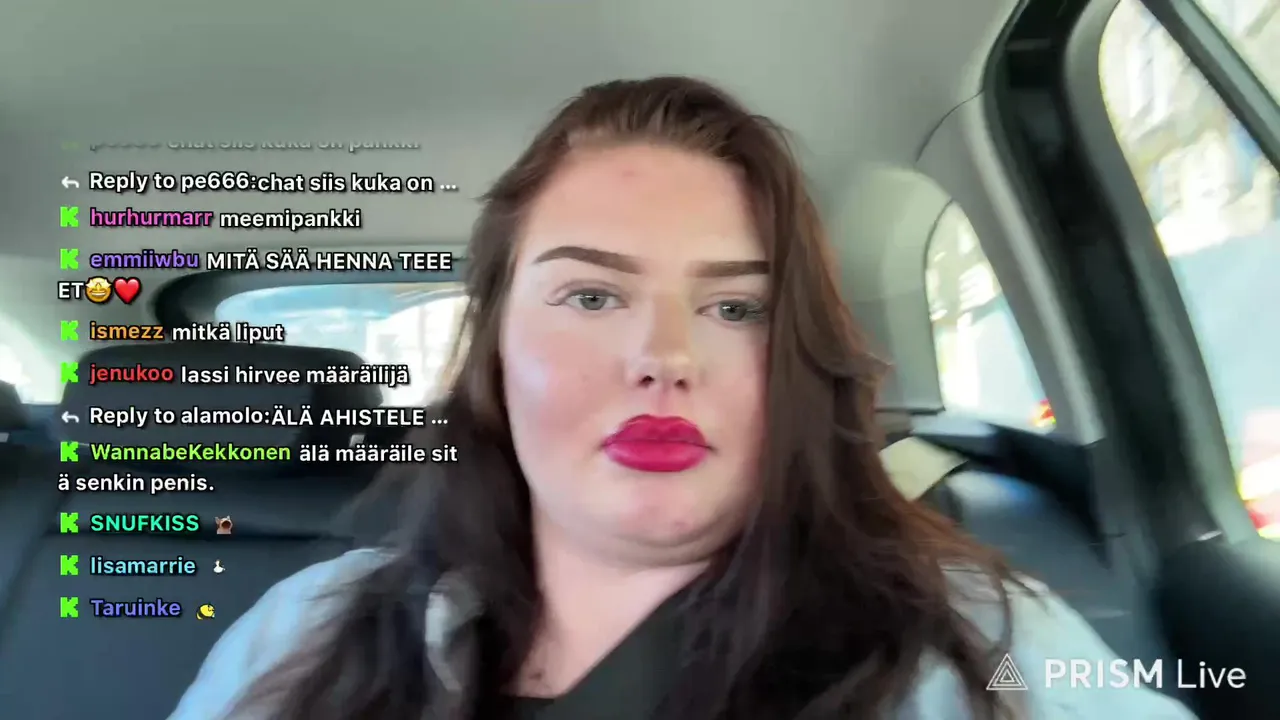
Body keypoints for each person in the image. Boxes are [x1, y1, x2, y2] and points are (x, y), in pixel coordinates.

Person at [170, 76, 1196, 719]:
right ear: (493, 349)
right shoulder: (304, 631)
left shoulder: (987, 648)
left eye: (736, 308)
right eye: (590, 296)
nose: (663, 358)